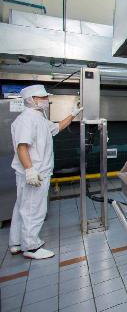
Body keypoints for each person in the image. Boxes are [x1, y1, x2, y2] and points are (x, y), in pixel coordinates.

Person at [10, 85, 83, 260]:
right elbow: (22, 147)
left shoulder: (39, 118)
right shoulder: (26, 119)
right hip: (35, 173)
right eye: (42, 97)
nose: (46, 100)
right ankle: (31, 247)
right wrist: (30, 170)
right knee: (33, 209)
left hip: (35, 171)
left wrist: (73, 114)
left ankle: (17, 242)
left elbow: (57, 128)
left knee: (22, 207)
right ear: (31, 100)